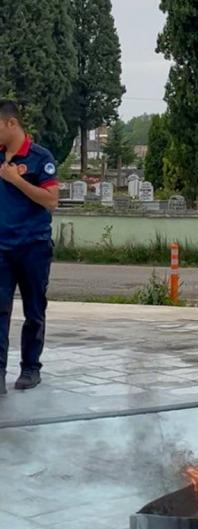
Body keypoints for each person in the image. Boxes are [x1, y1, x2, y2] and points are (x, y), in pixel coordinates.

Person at [0, 100, 60, 395]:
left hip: (33, 246)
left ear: (11, 124)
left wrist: (16, 180)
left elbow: (51, 201)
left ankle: (30, 368)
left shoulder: (40, 157)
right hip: (2, 247)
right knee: (0, 309)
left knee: (34, 309)